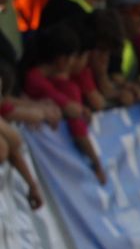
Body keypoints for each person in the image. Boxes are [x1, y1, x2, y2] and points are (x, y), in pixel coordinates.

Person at [22, 22, 106, 184]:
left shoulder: (38, 78)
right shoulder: (38, 81)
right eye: (75, 57)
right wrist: (97, 163)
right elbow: (72, 112)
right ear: (62, 60)